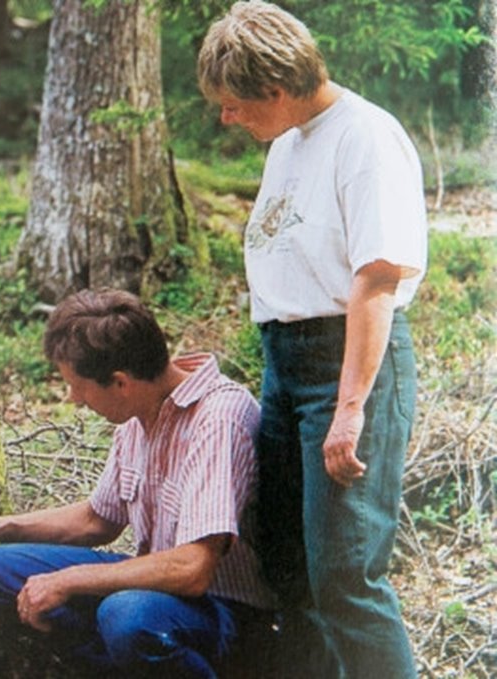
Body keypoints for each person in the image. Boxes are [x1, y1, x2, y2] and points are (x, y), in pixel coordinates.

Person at [197, 3, 428, 678]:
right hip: (285, 366)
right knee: (289, 567)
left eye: (235, 104)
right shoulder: (290, 141)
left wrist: (350, 408)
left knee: (344, 575)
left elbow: (377, 281)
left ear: (275, 89)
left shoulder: (365, 138)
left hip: (347, 364)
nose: (227, 118)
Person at [0, 289, 276, 677]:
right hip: (157, 593)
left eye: (78, 386)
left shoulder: (217, 418)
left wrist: (70, 580)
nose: (74, 398)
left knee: (126, 616)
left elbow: (193, 569)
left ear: (121, 382)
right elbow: (98, 520)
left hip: (225, 611)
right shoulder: (139, 412)